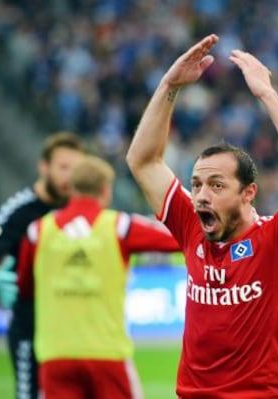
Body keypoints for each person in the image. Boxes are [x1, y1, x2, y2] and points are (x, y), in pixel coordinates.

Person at [126, 34, 278, 398]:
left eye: (216, 186)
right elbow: (142, 161)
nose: (201, 195)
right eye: (196, 184)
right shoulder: (192, 226)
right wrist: (169, 86)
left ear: (249, 192)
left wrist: (266, 93)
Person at [17, 155, 180, 399]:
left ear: (70, 189)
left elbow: (26, 288)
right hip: (107, 354)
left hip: (56, 354)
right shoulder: (119, 227)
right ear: (106, 190)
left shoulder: (38, 231)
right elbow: (181, 239)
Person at [0, 131, 86, 399]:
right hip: (30, 329)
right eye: (64, 168)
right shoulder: (17, 212)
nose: (70, 176)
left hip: (72, 330)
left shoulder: (80, 209)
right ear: (44, 168)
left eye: (77, 169)